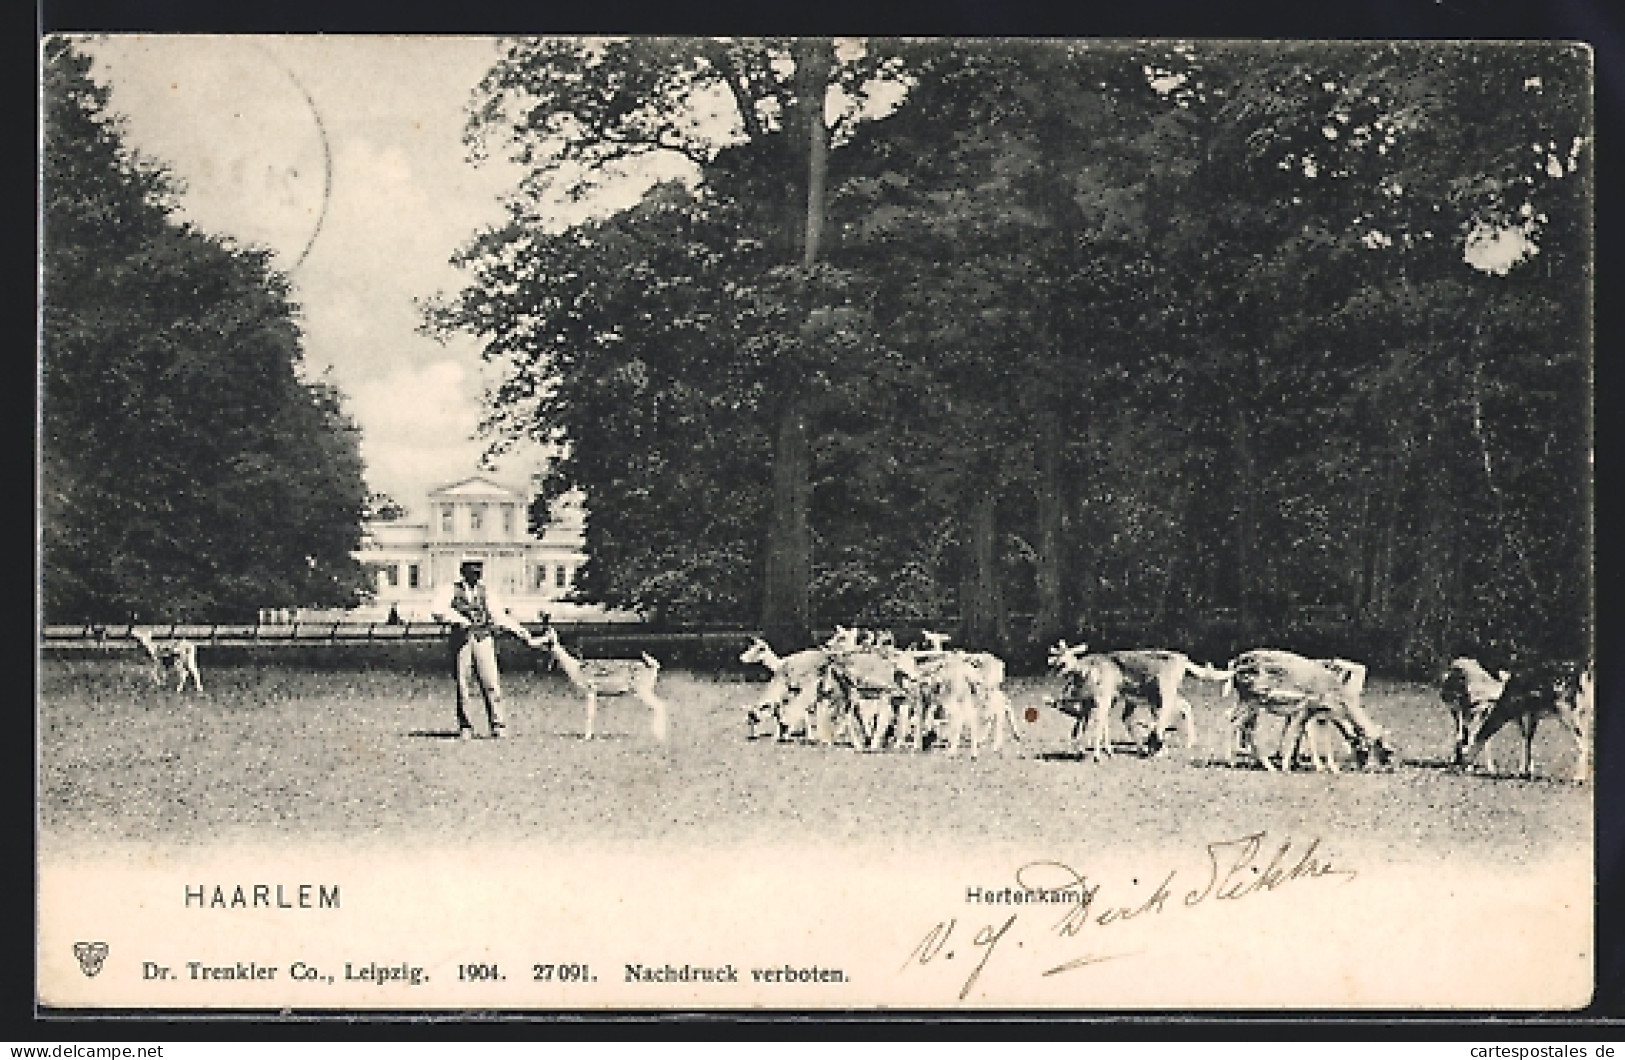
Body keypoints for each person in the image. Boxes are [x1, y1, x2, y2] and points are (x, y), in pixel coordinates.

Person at [429, 558, 536, 740]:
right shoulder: (451, 590)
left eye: (479, 569)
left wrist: (519, 630)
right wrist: (458, 620)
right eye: (472, 569)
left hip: (483, 638)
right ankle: (466, 726)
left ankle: (498, 725)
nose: (477, 572)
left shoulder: (486, 592)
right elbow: (438, 610)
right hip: (461, 640)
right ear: (463, 571)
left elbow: (499, 616)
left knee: (491, 682)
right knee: (463, 684)